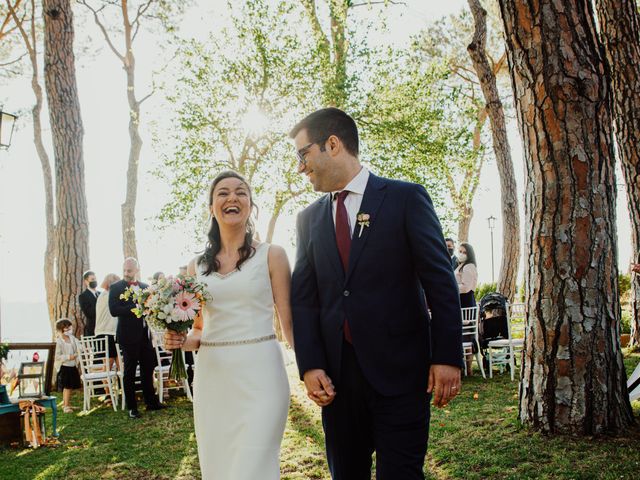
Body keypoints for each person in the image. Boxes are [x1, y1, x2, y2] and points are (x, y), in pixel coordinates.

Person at [290, 107, 463, 480]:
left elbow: (440, 282)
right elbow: (304, 300)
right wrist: (311, 365)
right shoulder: (307, 220)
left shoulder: (405, 199)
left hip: (401, 374)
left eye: (302, 155)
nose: (300, 167)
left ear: (332, 144)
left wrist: (447, 356)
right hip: (337, 384)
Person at [164, 170, 294, 480]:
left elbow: (289, 321)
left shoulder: (273, 255)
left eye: (241, 192)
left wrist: (312, 367)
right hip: (214, 378)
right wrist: (181, 341)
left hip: (262, 375)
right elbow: (198, 329)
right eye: (223, 192)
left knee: (255, 465)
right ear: (211, 206)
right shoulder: (197, 266)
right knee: (220, 468)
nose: (232, 197)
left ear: (250, 204)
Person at [109, 258, 164, 419]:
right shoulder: (116, 287)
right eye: (125, 270)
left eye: (129, 271)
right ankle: (132, 407)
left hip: (145, 335)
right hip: (127, 336)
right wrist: (136, 307)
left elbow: (151, 308)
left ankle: (151, 402)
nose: (126, 273)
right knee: (130, 372)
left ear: (137, 270)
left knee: (148, 369)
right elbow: (114, 310)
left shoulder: (146, 288)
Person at [54, 318, 82, 413]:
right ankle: (65, 405)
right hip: (64, 367)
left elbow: (79, 346)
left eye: (70, 328)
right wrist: (68, 357)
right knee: (66, 387)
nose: (69, 330)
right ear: (61, 330)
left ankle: (68, 404)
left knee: (70, 386)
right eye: (67, 329)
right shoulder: (59, 342)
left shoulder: (73, 339)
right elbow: (57, 356)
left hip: (72, 366)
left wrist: (83, 349)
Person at [95, 273, 121, 371]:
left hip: (107, 333)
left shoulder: (103, 295)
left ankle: (120, 385)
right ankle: (107, 386)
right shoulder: (109, 295)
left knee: (119, 363)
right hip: (107, 333)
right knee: (109, 363)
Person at [455, 242, 478, 308]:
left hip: (465, 301)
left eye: (465, 252)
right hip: (460, 300)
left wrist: (452, 287)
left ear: (469, 254)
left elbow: (466, 288)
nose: (461, 254)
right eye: (460, 251)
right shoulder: (460, 265)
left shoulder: (469, 266)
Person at [78, 270, 99, 337]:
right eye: (92, 279)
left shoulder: (101, 294)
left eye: (95, 279)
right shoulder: (83, 296)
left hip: (104, 329)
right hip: (92, 330)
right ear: (86, 282)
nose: (95, 281)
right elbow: (89, 313)